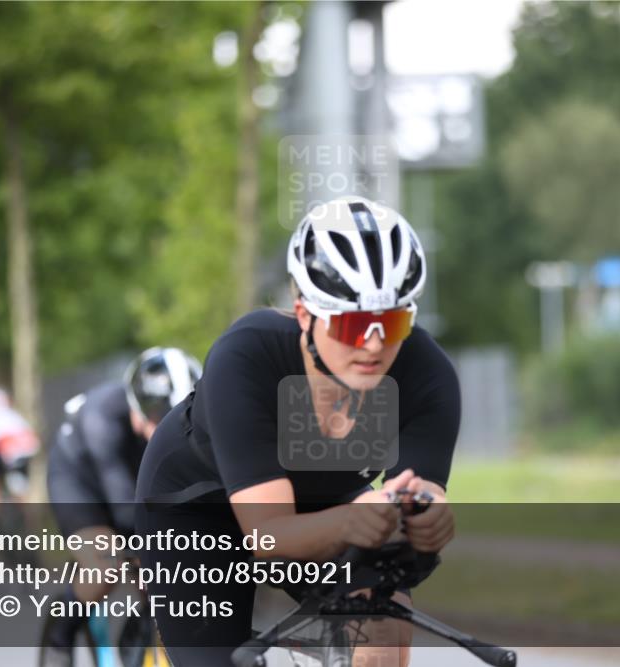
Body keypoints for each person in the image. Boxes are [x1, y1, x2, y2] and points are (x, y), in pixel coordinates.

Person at [135, 196, 459, 667]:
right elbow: (267, 537)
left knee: (385, 630)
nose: (373, 345)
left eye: (390, 323)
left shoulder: (425, 374)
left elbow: (417, 501)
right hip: (197, 509)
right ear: (305, 314)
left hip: (326, 502)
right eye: (351, 324)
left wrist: (427, 522)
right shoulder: (246, 356)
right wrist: (353, 521)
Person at [42, 347, 202, 667]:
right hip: (80, 480)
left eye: (182, 414)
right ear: (137, 407)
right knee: (107, 566)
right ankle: (60, 633)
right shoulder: (104, 416)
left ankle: (140, 640)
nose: (169, 425)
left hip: (132, 485)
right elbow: (127, 513)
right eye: (159, 414)